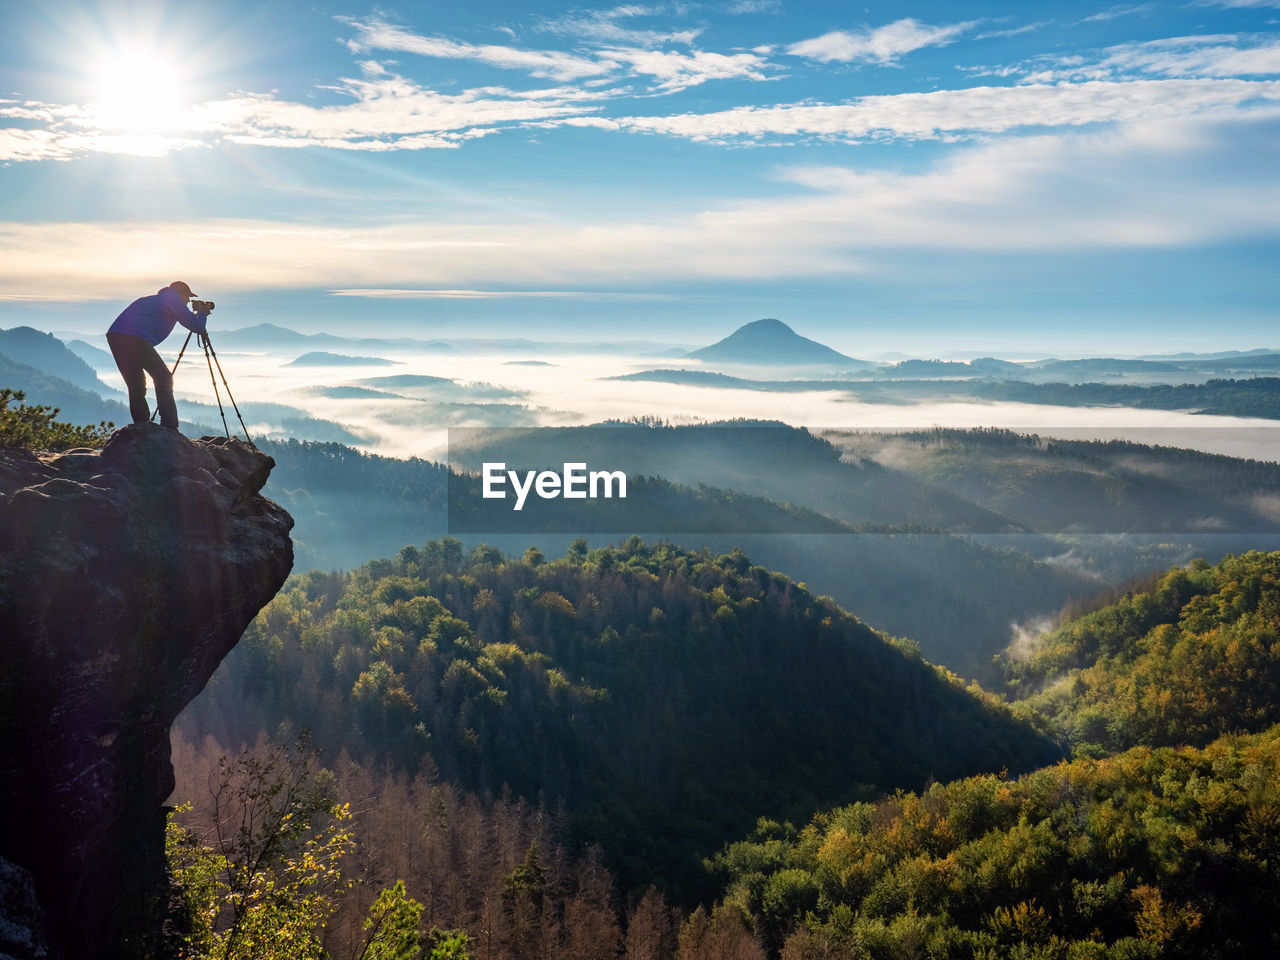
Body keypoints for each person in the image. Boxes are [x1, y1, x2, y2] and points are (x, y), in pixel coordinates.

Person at [106, 281, 209, 429]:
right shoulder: (173, 301)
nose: (188, 302)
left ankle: (141, 426)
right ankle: (169, 425)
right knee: (163, 377)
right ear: (181, 294)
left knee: (135, 384)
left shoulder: (151, 300)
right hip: (135, 338)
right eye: (187, 297)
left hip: (115, 336)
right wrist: (203, 314)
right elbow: (197, 326)